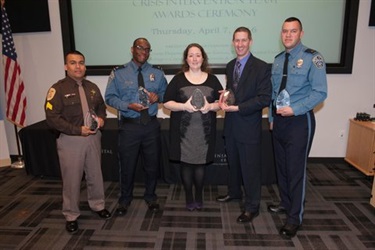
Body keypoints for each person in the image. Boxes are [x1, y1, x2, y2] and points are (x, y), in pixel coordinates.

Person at [268, 17, 328, 238]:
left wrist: (295, 109)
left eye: (293, 31)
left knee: (295, 170)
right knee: (281, 167)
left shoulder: (313, 58)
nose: (288, 35)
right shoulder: (276, 60)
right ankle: (285, 202)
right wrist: (272, 118)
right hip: (280, 121)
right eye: (284, 31)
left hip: (300, 121)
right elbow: (274, 92)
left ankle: (295, 217)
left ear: (301, 33)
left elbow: (320, 92)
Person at [44, 50, 111, 234]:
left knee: (95, 174)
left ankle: (98, 205)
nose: (78, 66)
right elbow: (52, 118)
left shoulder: (92, 87)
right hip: (71, 140)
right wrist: (76, 130)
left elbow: (101, 108)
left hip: (93, 138)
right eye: (73, 63)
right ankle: (71, 214)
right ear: (66, 66)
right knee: (72, 179)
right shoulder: (57, 89)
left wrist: (101, 119)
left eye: (81, 62)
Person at [105, 38, 167, 215]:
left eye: (148, 49)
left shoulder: (158, 72)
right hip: (130, 127)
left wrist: (158, 97)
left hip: (151, 126)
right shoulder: (119, 72)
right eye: (140, 48)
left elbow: (165, 93)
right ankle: (124, 199)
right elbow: (109, 97)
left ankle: (151, 196)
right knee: (127, 165)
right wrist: (127, 105)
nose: (144, 52)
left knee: (152, 165)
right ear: (132, 49)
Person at [216, 27, 272, 223]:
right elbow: (232, 93)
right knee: (234, 165)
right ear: (233, 43)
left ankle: (252, 207)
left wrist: (238, 107)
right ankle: (234, 193)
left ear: (250, 41)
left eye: (243, 40)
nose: (240, 44)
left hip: (248, 127)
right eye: (236, 41)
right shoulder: (230, 65)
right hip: (231, 126)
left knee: (250, 169)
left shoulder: (262, 67)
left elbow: (264, 98)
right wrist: (225, 100)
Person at [163, 43, 223, 211]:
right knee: (186, 165)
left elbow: (221, 103)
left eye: (198, 55)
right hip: (183, 133)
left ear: (203, 58)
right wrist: (184, 106)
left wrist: (210, 107)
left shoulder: (212, 79)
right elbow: (166, 102)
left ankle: (198, 195)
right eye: (191, 55)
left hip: (205, 132)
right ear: (186, 59)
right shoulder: (178, 79)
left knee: (200, 165)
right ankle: (189, 196)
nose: (195, 58)